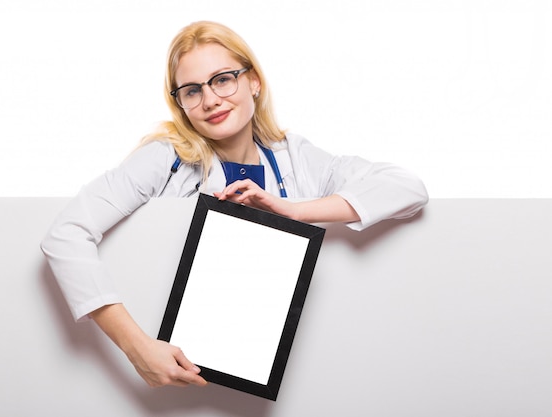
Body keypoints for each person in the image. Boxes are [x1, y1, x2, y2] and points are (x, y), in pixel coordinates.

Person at [41, 20, 428, 389]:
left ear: (253, 81)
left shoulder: (295, 157)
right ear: (181, 103)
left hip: (290, 375)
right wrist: (136, 348)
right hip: (178, 378)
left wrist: (293, 210)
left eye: (223, 80)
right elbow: (66, 234)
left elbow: (406, 188)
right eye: (192, 90)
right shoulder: (166, 158)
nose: (210, 100)